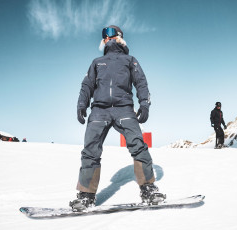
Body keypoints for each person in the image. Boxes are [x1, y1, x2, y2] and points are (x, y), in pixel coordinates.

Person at [69, 25, 165, 211]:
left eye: (112, 35)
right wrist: (82, 104)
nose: (108, 38)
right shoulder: (97, 62)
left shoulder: (130, 60)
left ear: (120, 38)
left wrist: (144, 104)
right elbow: (86, 85)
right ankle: (86, 195)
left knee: (138, 146)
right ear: (103, 41)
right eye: (105, 37)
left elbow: (141, 83)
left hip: (124, 109)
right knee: (90, 151)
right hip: (99, 110)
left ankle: (148, 189)